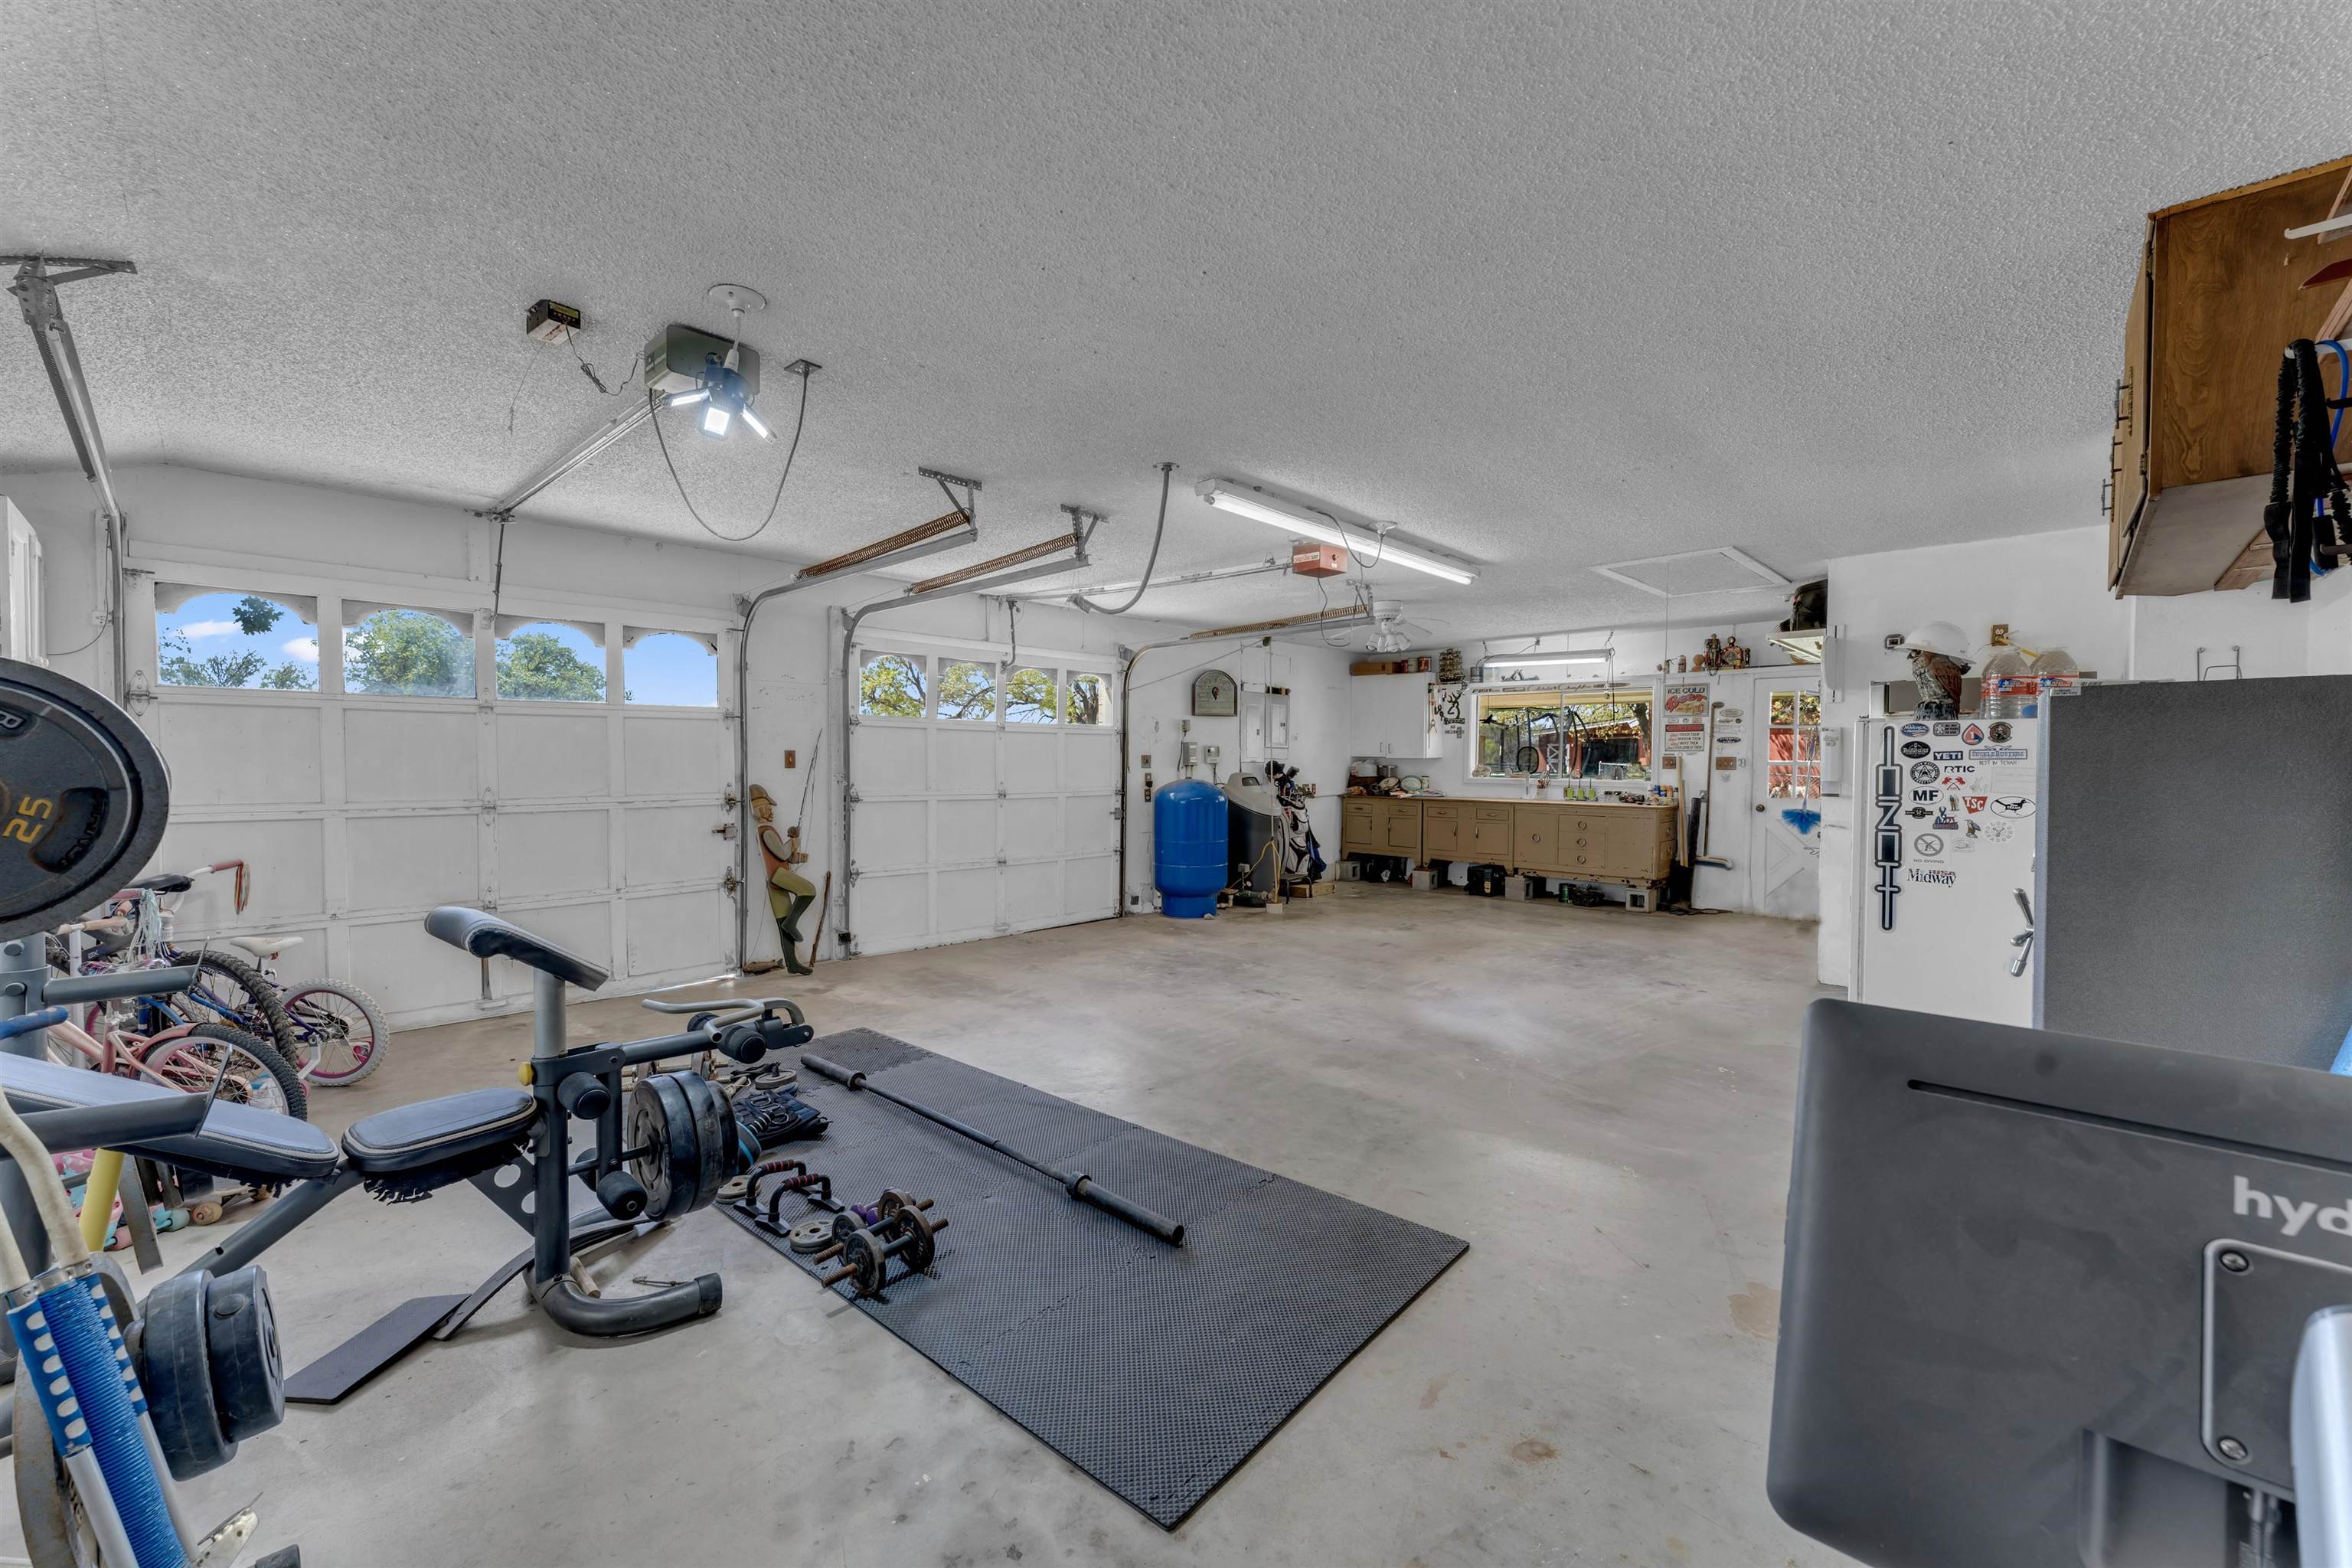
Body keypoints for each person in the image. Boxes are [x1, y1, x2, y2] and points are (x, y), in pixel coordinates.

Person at [749, 783, 816, 976]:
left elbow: (784, 855)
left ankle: (793, 963)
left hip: (775, 878)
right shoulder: (767, 831)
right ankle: (792, 922)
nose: (771, 813)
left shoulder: (767, 830)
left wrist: (797, 853)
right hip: (778, 876)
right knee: (809, 890)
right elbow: (782, 852)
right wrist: (792, 842)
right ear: (760, 810)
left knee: (782, 922)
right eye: (768, 809)